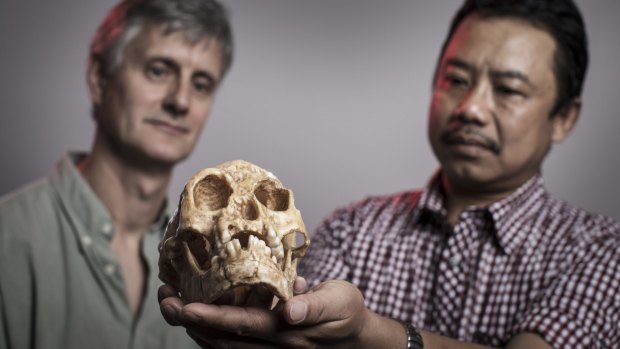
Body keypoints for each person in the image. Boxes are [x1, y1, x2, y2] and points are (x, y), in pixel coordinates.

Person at [158, 0, 620, 348]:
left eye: (508, 90)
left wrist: (370, 333)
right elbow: (291, 326)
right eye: (456, 79)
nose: (472, 107)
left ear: (565, 117)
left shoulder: (602, 251)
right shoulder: (353, 227)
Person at [0, 0, 233, 348]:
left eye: (200, 84)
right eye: (159, 70)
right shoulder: (8, 237)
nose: (181, 101)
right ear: (99, 78)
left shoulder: (215, 265)